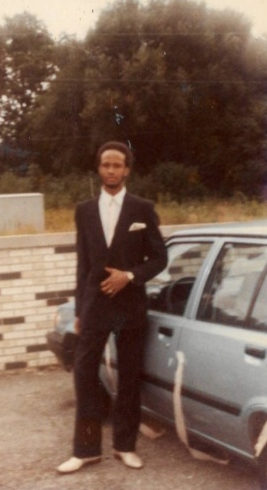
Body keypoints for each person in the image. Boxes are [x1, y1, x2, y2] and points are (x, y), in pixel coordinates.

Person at [57, 141, 167, 474]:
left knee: (129, 377)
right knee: (85, 374)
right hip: (94, 306)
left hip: (129, 306)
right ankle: (86, 450)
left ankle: (125, 446)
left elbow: (159, 258)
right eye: (106, 164)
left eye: (117, 165)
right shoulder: (84, 210)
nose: (111, 170)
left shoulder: (142, 209)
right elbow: (83, 264)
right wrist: (79, 309)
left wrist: (130, 275)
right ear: (99, 168)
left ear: (127, 169)